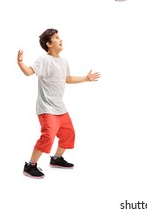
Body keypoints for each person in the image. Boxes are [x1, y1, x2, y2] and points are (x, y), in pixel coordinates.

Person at [17, 28, 100, 179]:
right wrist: (21, 62)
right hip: (46, 108)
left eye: (59, 37)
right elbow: (29, 72)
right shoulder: (43, 60)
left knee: (68, 134)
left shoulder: (63, 61)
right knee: (48, 136)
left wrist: (86, 78)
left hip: (60, 108)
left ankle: (56, 159)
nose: (60, 39)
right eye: (56, 38)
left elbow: (67, 79)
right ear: (49, 44)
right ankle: (30, 165)